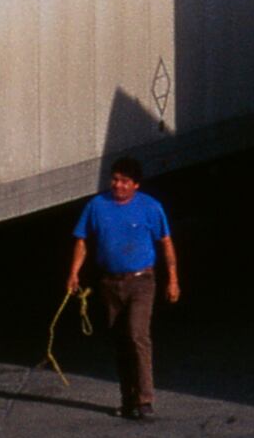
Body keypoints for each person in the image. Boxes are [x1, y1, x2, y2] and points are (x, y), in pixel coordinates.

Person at [70, 156, 181, 423]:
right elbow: (82, 240)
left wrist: (173, 279)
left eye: (124, 181)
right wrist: (73, 273)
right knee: (120, 341)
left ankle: (144, 399)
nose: (117, 185)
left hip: (141, 281)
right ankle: (127, 398)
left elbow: (165, 243)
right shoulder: (97, 206)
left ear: (136, 185)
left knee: (137, 334)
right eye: (115, 179)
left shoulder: (150, 208)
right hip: (109, 282)